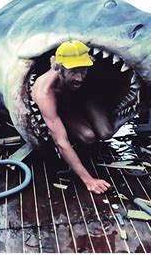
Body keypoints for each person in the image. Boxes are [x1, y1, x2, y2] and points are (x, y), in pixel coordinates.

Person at [30, 40, 112, 194]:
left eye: (83, 71)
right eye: (73, 72)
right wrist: (89, 180)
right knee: (88, 137)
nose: (79, 78)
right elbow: (61, 142)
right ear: (59, 70)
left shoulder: (77, 76)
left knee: (106, 132)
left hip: (73, 100)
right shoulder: (45, 93)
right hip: (58, 109)